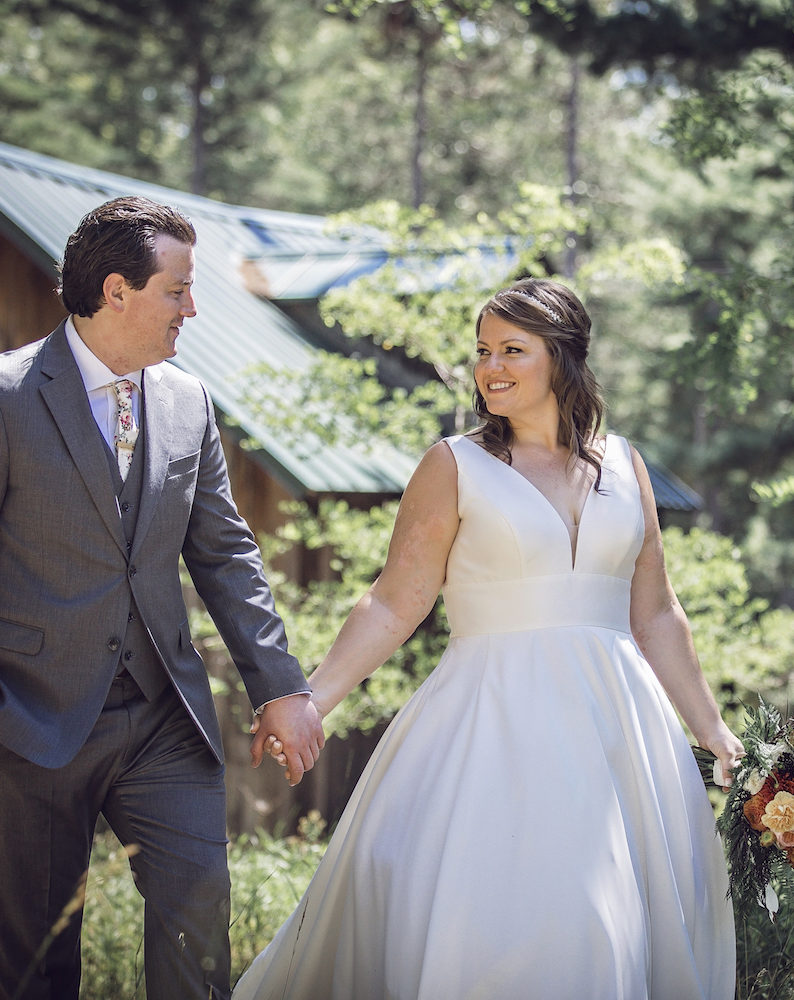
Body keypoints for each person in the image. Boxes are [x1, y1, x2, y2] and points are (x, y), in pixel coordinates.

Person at [233, 278, 743, 1000]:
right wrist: (312, 700)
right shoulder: (454, 464)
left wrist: (712, 728)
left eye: (512, 350)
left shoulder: (626, 466)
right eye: (482, 351)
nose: (490, 368)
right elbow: (392, 602)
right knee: (511, 915)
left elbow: (656, 613)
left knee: (616, 913)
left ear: (563, 358)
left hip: (620, 731)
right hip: (493, 719)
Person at [0, 196, 325, 1000]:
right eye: (177, 290)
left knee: (197, 915)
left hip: (163, 718)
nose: (192, 308)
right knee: (36, 964)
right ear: (115, 291)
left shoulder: (188, 402)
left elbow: (225, 552)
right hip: (25, 719)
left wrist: (281, 686)